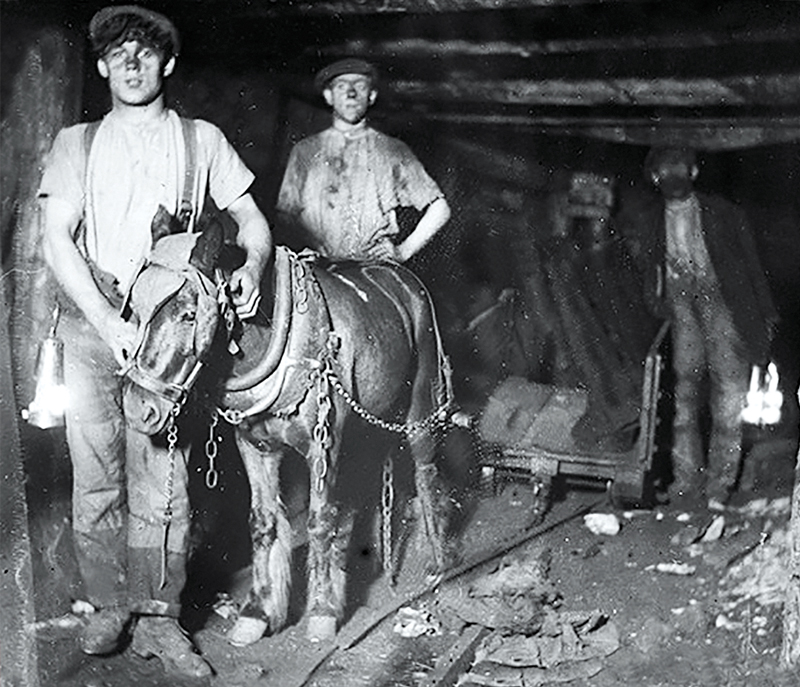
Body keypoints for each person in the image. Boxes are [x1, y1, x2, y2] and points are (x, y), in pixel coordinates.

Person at [39, 5, 272, 677]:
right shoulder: (76, 143)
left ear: (167, 64)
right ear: (103, 67)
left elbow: (252, 219)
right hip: (93, 325)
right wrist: (106, 320)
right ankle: (109, 603)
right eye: (119, 54)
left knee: (163, 480)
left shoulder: (201, 141)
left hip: (169, 335)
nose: (132, 64)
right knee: (96, 475)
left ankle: (159, 619)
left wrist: (254, 265)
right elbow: (57, 239)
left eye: (145, 52)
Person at [619, 147, 777, 509]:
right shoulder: (651, 220)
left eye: (680, 168)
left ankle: (720, 485)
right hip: (682, 309)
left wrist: (766, 316)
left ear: (693, 172)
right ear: (655, 176)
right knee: (685, 400)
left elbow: (752, 265)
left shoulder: (724, 213)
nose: (673, 177)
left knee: (729, 396)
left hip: (722, 304)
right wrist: (658, 304)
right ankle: (686, 482)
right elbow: (648, 270)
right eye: (665, 170)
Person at [276, 57, 450, 262]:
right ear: (329, 96)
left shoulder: (393, 150)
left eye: (360, 86)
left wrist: (404, 251)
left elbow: (440, 208)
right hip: (317, 265)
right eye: (341, 86)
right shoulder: (305, 151)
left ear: (372, 96)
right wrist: (306, 243)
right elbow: (284, 214)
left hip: (372, 267)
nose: (351, 93)